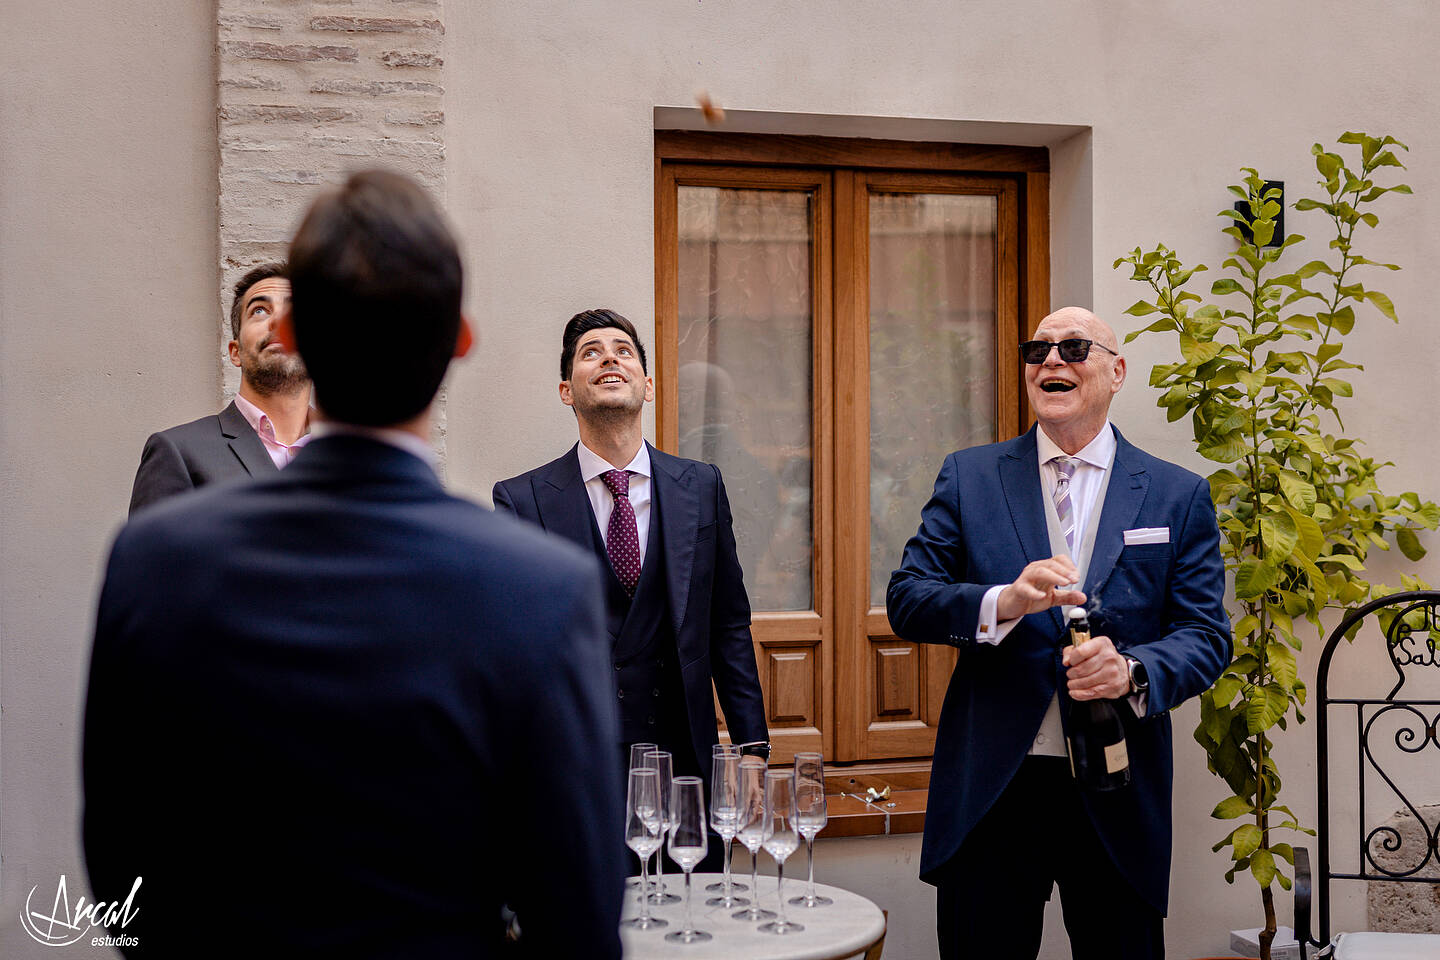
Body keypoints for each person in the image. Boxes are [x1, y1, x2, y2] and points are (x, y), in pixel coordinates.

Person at [83, 171, 625, 958]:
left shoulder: (155, 558)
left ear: (297, 336)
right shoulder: (543, 589)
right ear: (458, 341)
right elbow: (576, 916)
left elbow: (120, 864)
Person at [886, 306, 1231, 960]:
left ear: (1116, 371)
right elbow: (908, 599)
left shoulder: (1177, 494)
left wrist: (1131, 671)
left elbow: (1206, 635)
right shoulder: (970, 476)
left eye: (1073, 348)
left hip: (1117, 787)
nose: (1050, 360)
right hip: (993, 787)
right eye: (1036, 349)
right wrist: (1003, 602)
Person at [492, 309, 769, 794]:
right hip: (575, 762)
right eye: (591, 353)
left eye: (623, 351)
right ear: (566, 391)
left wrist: (751, 750)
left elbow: (727, 625)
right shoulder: (521, 501)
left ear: (648, 386)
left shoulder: (701, 486)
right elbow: (511, 648)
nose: (609, 359)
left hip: (684, 758)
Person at [127, 262, 311, 514]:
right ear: (235, 352)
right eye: (259, 310)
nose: (279, 320)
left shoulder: (358, 455)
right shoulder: (177, 451)